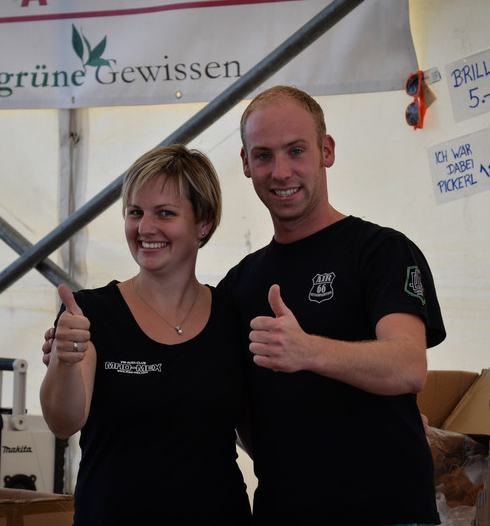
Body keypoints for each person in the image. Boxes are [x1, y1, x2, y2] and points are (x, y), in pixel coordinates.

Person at [216, 85, 446, 525]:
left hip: (390, 513)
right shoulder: (238, 285)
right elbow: (234, 405)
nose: (281, 171)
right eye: (263, 155)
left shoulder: (381, 251)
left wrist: (308, 351)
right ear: (246, 164)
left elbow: (408, 366)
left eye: (296, 151)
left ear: (326, 151)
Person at [40, 144, 251, 526]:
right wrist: (66, 361)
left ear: (203, 223)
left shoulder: (232, 316)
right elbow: (63, 422)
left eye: (164, 213)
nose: (145, 228)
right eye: (135, 212)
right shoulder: (88, 313)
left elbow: (260, 430)